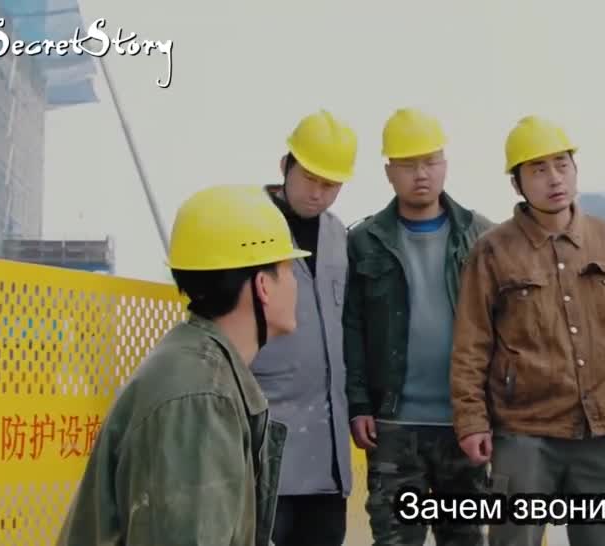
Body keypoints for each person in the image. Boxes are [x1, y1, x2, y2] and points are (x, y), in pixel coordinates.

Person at [55, 184, 308, 546]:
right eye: (289, 270)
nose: (296, 284)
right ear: (263, 285)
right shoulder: (201, 399)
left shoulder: (199, 369)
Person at [449, 115, 605, 546]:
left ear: (575, 168)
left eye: (562, 164)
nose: (554, 178)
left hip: (602, 431)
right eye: (538, 169)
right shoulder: (492, 251)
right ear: (517, 184)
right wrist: (471, 422)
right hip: (524, 432)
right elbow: (471, 344)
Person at [343, 108, 495, 546]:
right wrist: (359, 404)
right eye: (408, 164)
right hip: (393, 425)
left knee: (464, 538)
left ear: (445, 164)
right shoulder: (365, 241)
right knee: (394, 540)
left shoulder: (481, 236)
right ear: (389, 172)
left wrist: (494, 411)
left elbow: (503, 329)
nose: (421, 174)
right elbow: (353, 328)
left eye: (430, 161)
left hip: (463, 424)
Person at [249, 110, 358, 546]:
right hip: (265, 445)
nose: (317, 194)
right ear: (285, 166)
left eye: (330, 185)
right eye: (309, 178)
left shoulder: (340, 239)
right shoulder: (250, 230)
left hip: (326, 453)